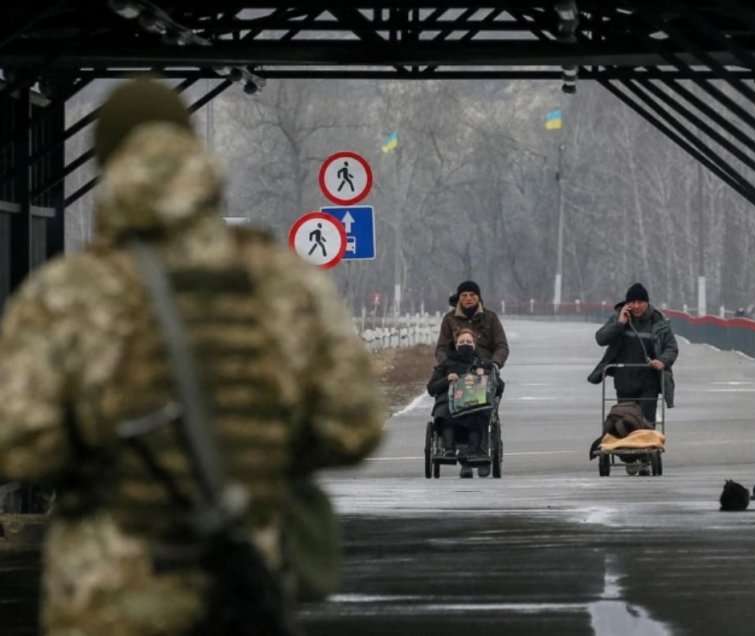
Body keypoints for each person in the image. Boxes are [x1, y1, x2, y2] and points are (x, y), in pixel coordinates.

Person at [0, 78, 383, 636]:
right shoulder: (279, 281)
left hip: (105, 595)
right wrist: (263, 450)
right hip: (242, 578)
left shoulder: (64, 293)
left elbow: (19, 442)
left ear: (105, 160)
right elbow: (355, 426)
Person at [588, 282, 678, 425]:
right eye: (632, 302)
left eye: (640, 302)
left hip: (649, 381)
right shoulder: (618, 317)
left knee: (646, 423)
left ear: (647, 302)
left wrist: (662, 361)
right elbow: (601, 339)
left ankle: (647, 445)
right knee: (626, 422)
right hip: (624, 381)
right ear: (627, 303)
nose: (636, 306)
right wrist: (619, 324)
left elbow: (671, 348)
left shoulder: (658, 321)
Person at [427, 328, 494, 462]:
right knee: (444, 411)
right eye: (462, 341)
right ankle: (449, 449)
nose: (465, 344)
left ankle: (473, 451)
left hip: (473, 401)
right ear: (456, 345)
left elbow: (499, 387)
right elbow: (431, 388)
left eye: (468, 341)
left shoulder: (482, 363)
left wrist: (483, 378)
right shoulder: (446, 364)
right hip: (450, 400)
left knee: (479, 412)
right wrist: (447, 379)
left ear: (474, 344)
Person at [435, 280, 509, 368]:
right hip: (456, 369)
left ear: (478, 297)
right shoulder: (449, 318)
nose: (468, 298)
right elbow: (441, 348)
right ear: (459, 297)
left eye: (472, 295)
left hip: (486, 368)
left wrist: (495, 362)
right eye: (464, 295)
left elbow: (501, 346)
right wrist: (446, 363)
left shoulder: (490, 317)